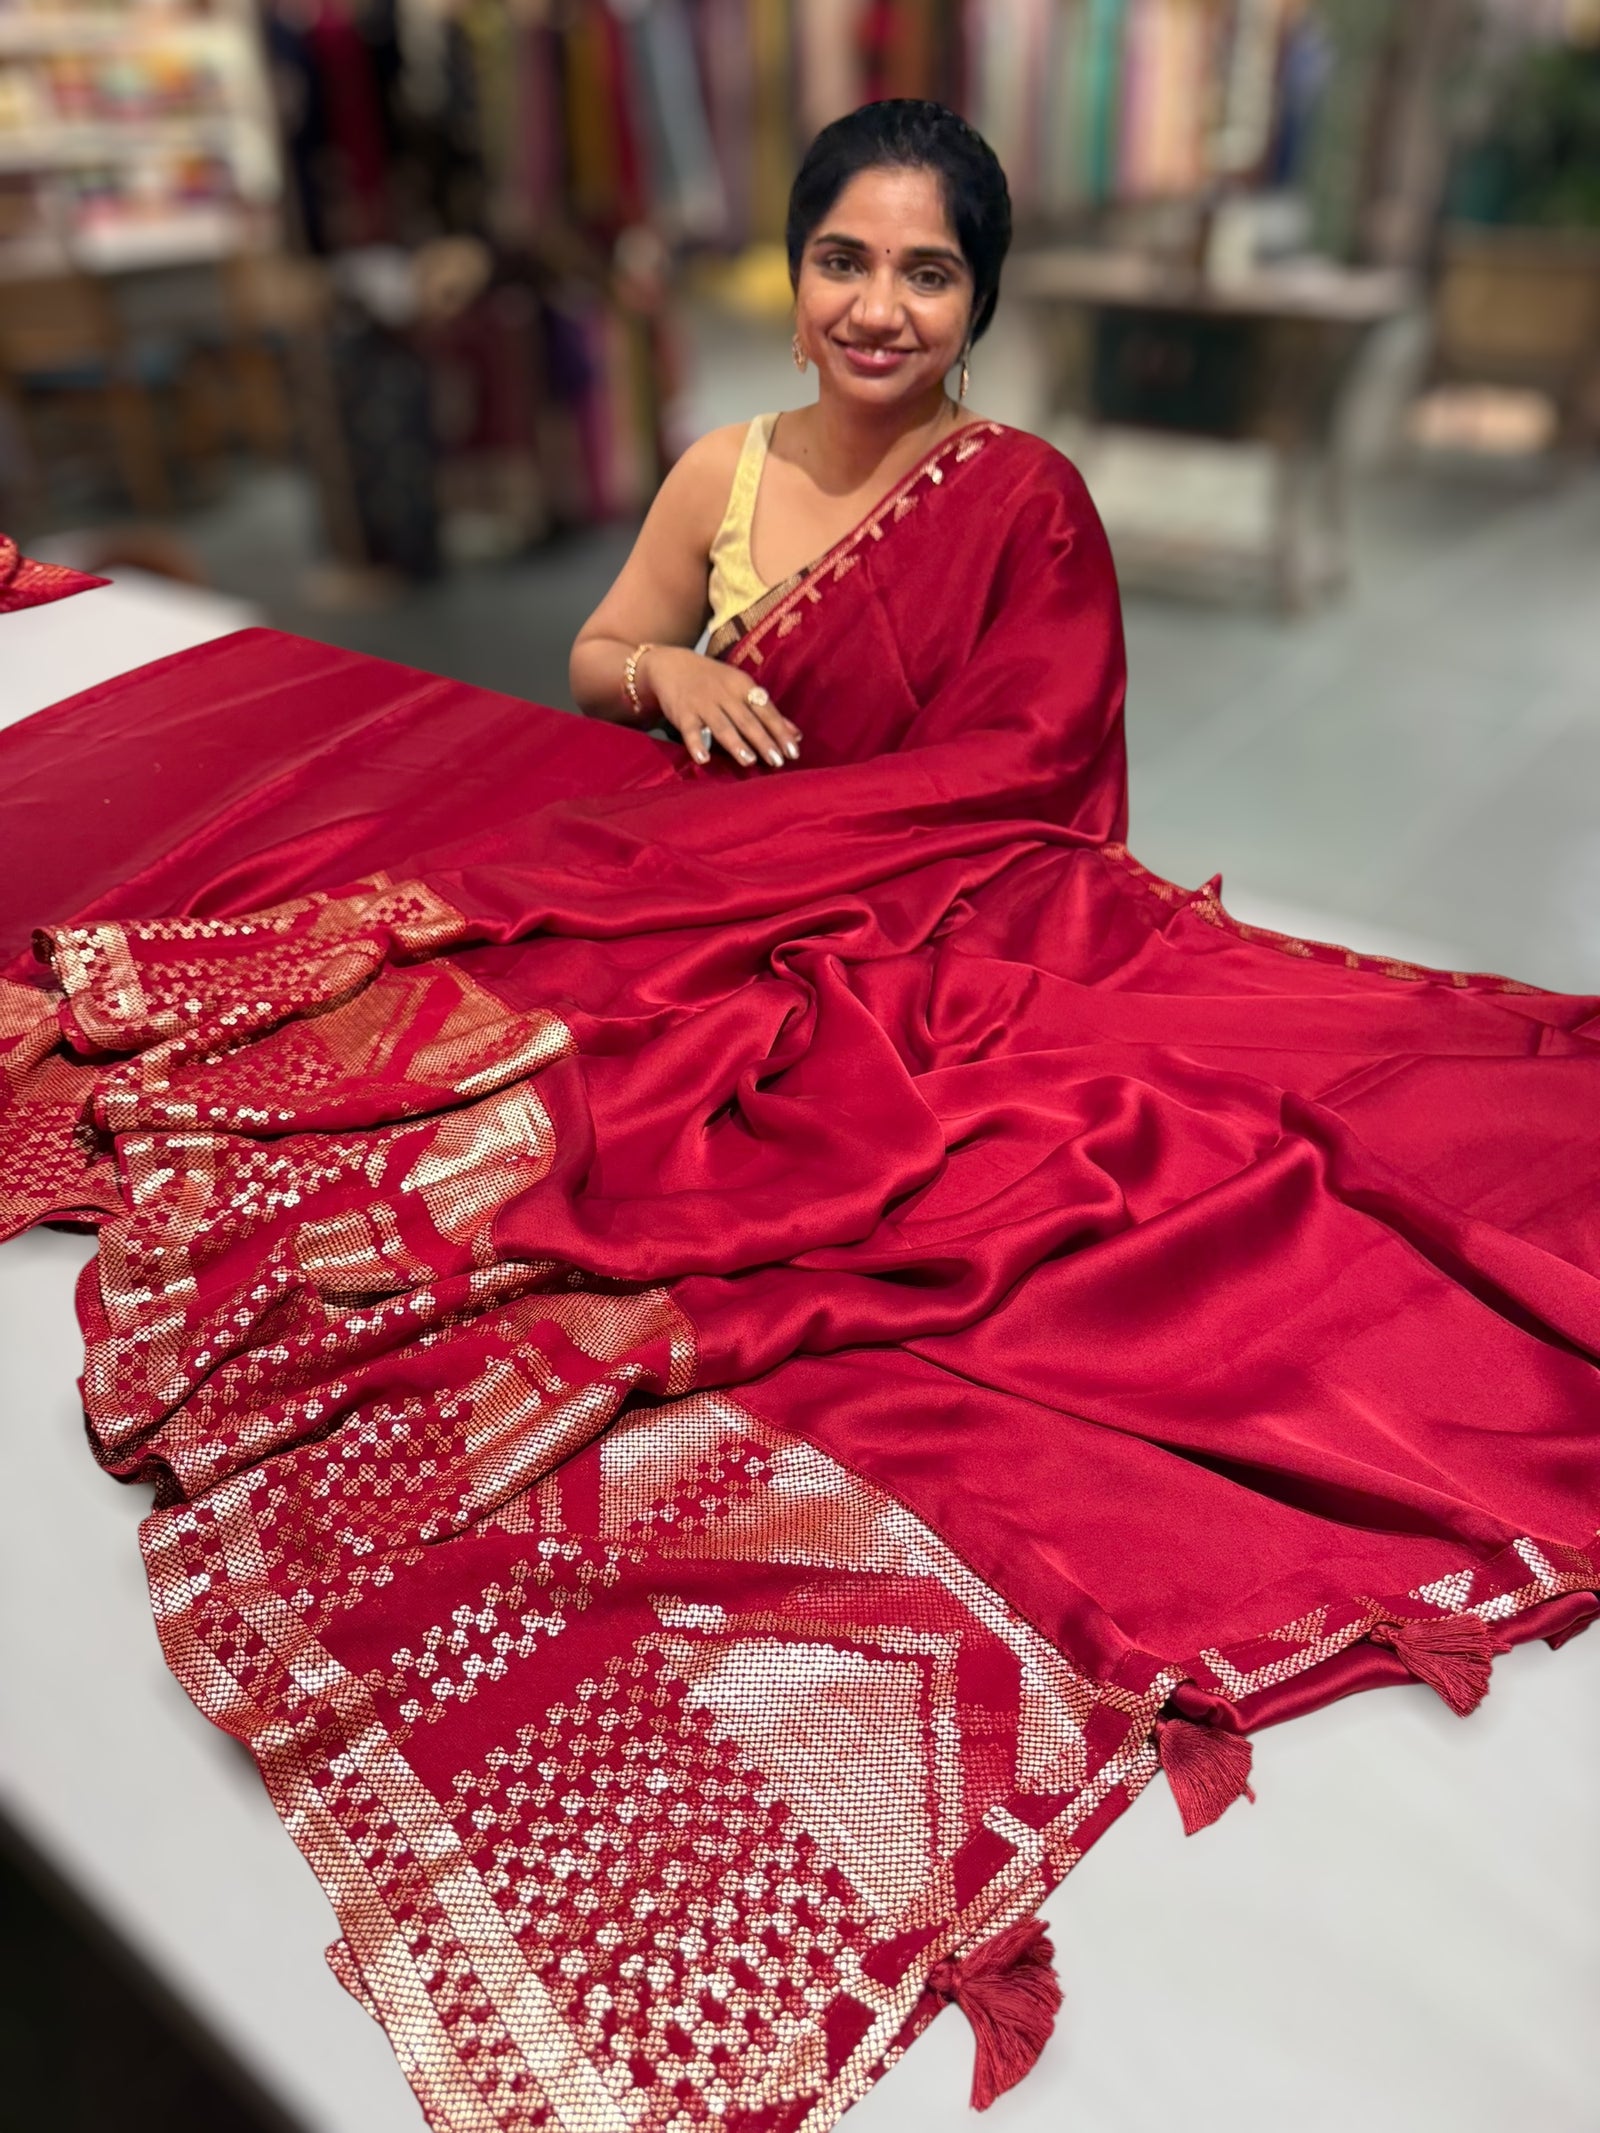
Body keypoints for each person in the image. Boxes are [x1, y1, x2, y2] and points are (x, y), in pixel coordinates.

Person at [2, 100, 1599, 2133]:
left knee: (1116, 1124)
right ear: (794, 267)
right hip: (713, 871)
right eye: (845, 257)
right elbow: (601, 649)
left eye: (927, 271)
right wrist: (668, 677)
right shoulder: (720, 470)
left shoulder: (1018, 498)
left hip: (927, 910)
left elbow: (1032, 763)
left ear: (978, 300)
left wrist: (821, 847)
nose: (877, 304)